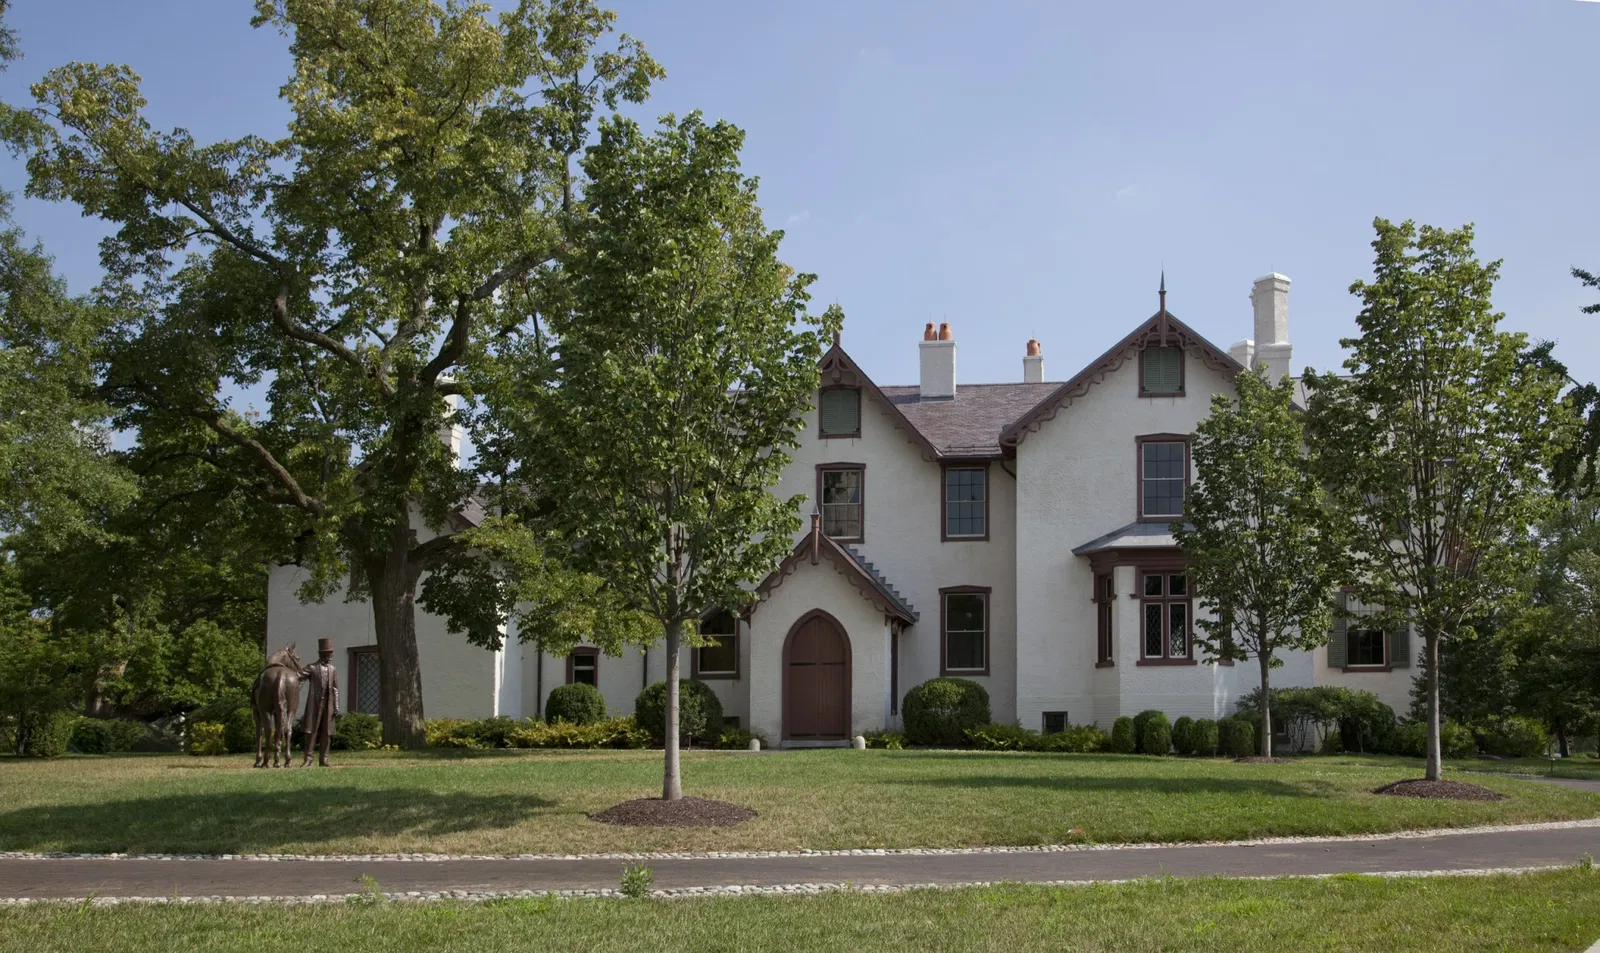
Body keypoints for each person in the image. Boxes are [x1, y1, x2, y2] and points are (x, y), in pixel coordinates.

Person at [300, 637, 340, 767]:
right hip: (315, 704)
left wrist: (336, 705)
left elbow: (335, 689)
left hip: (328, 704)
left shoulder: (333, 669)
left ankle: (324, 759)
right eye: (328, 653)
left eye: (331, 653)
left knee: (326, 733)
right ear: (322, 654)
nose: (330, 656)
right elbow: (298, 676)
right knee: (311, 731)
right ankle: (308, 758)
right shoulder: (312, 668)